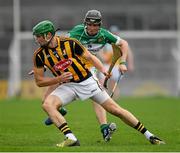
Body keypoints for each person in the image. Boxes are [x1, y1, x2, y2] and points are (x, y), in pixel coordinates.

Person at [32, 20, 165, 147]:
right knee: (48, 104)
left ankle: (149, 135)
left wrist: (103, 70)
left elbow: (90, 57)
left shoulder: (71, 43)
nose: (37, 40)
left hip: (87, 82)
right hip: (68, 86)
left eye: (39, 36)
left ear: (48, 35)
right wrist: (58, 79)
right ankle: (71, 138)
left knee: (115, 110)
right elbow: (39, 82)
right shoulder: (39, 55)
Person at [44, 10, 129, 141]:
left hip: (89, 68)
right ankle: (58, 110)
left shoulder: (104, 34)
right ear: (85, 24)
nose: (93, 28)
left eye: (96, 25)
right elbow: (59, 48)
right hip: (71, 66)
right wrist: (44, 66)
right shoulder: (76, 32)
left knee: (97, 96)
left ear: (100, 25)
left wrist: (123, 62)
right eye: (90, 24)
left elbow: (123, 43)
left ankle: (104, 127)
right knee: (48, 94)